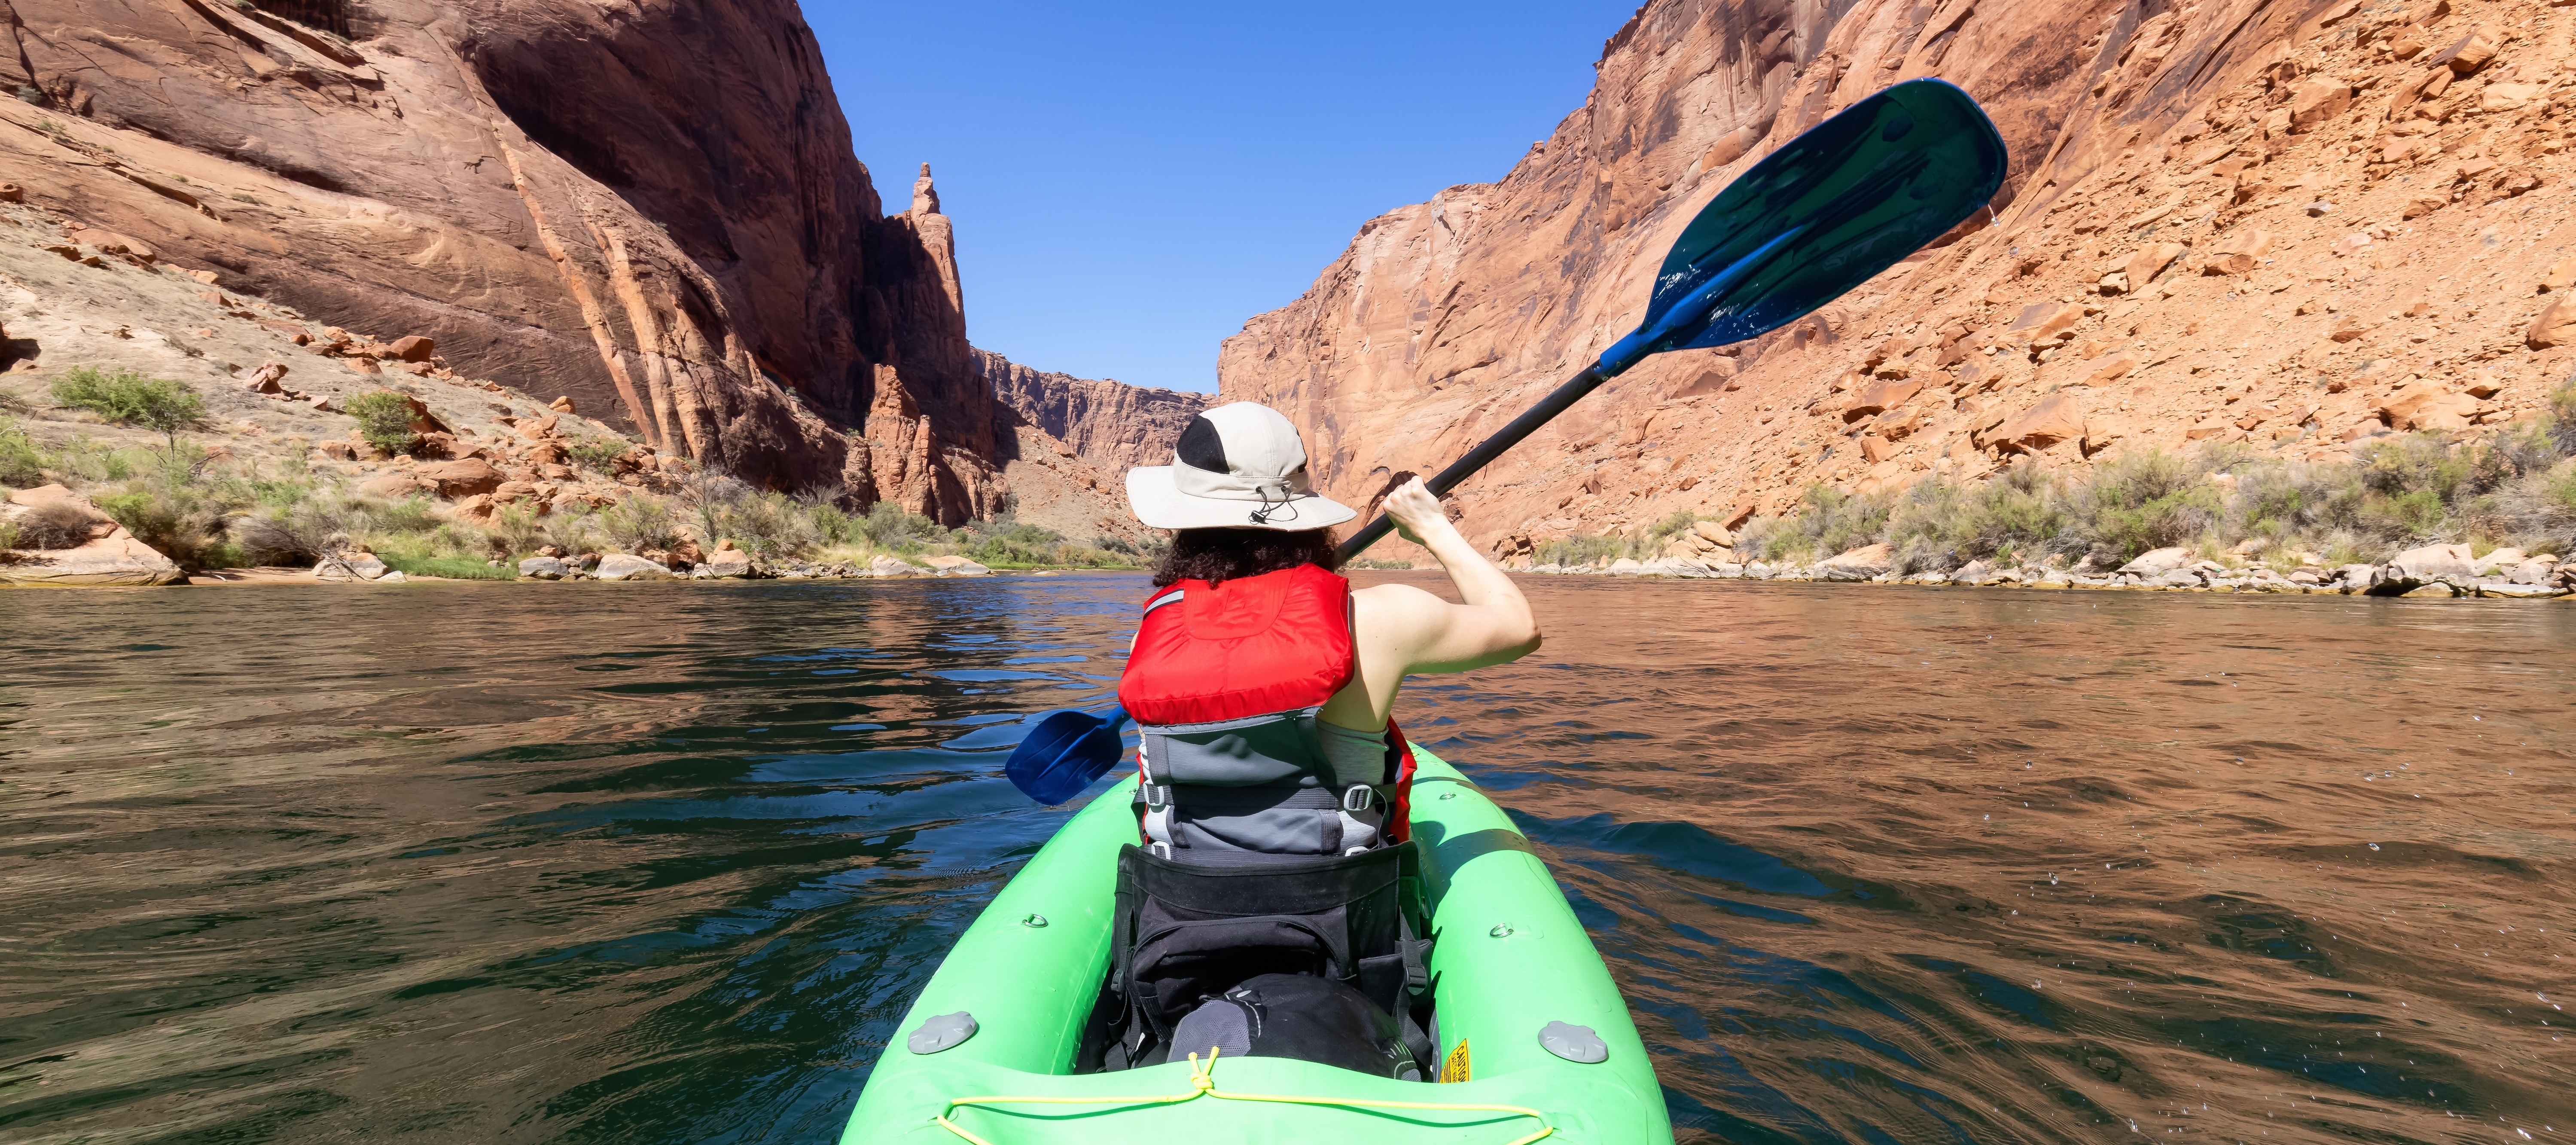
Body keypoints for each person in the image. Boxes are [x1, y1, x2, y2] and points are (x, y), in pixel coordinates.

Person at [1086, 400, 1541, 1077]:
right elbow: (1516, 626)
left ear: (1182, 523)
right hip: (1342, 936)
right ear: (1306, 514)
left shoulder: (1151, 631)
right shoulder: (1381, 616)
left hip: (1184, 930)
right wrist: (1432, 528)